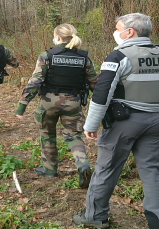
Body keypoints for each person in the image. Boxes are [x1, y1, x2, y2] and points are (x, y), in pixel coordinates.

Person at [72, 13, 159, 229]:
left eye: (118, 28)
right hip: (158, 120)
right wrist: (155, 105)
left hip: (124, 122)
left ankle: (95, 217)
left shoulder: (119, 56)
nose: (115, 31)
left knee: (106, 168)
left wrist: (91, 125)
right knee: (152, 171)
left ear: (130, 32)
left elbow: (102, 94)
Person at [16, 24, 98, 188]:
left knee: (47, 135)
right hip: (73, 103)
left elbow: (35, 81)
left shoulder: (47, 55)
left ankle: (50, 170)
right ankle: (83, 166)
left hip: (48, 103)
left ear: (58, 38)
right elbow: (95, 83)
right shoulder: (84, 58)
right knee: (74, 136)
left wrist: (22, 105)